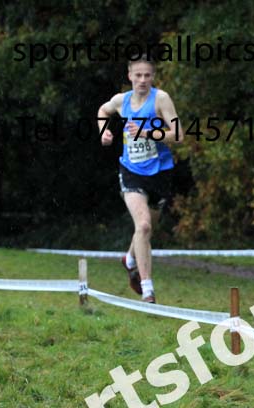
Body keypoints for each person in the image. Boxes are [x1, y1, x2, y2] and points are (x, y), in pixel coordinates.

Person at [98, 55, 182, 303]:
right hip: (131, 170)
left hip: (159, 172)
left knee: (146, 229)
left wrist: (149, 133)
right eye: (138, 75)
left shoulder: (161, 99)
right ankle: (147, 290)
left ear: (153, 77)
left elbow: (178, 134)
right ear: (130, 76)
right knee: (143, 226)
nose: (143, 80)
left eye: (147, 75)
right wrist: (104, 131)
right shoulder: (121, 101)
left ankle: (129, 258)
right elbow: (103, 110)